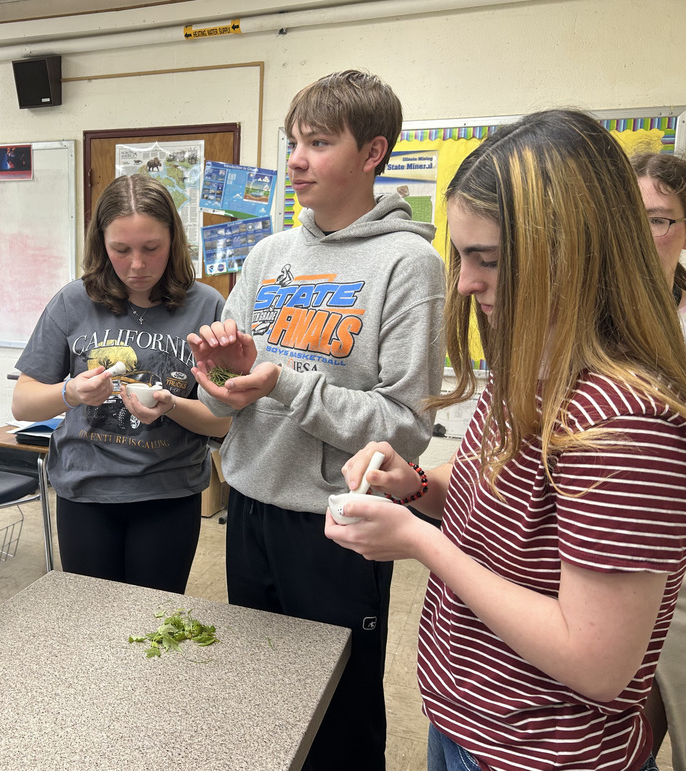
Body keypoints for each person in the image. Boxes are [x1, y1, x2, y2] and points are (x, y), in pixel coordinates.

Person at [328, 110, 686, 771]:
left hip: (537, 751)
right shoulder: (531, 359)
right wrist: (412, 483)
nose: (465, 282)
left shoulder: (623, 421)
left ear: (572, 253)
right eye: (461, 256)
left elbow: (596, 660)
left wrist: (419, 543)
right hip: (475, 718)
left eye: (486, 259)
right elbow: (497, 506)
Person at [187, 70, 445, 770]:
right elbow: (220, 401)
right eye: (292, 141)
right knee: (262, 695)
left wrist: (283, 383)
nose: (294, 160)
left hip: (341, 522)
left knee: (341, 707)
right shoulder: (269, 254)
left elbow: (406, 427)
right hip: (250, 506)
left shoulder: (410, 263)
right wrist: (220, 380)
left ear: (372, 153)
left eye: (318, 142)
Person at [11, 174, 229, 593]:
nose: (137, 265)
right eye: (121, 250)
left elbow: (224, 424)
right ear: (101, 245)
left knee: (152, 626)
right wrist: (69, 393)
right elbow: (23, 403)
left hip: (168, 494)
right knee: (91, 629)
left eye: (152, 248)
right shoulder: (72, 302)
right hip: (86, 493)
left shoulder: (207, 306)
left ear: (174, 240)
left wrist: (172, 407)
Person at [634, 151, 686, 771]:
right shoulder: (589, 318)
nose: (641, 235)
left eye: (658, 219)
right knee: (626, 738)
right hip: (610, 564)